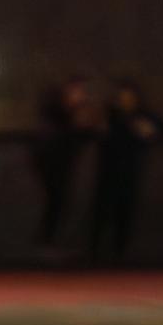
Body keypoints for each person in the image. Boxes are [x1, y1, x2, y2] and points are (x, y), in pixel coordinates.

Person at [90, 81, 163, 265]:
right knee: (102, 211)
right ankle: (93, 251)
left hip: (130, 170)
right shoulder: (110, 115)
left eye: (129, 97)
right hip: (108, 170)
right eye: (122, 98)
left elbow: (161, 132)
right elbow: (96, 133)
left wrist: (147, 131)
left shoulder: (142, 117)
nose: (125, 101)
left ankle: (119, 252)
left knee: (124, 212)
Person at [34, 75, 98, 255]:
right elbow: (56, 134)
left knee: (61, 202)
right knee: (54, 201)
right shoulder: (54, 111)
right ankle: (45, 243)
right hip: (49, 161)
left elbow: (83, 135)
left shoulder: (75, 113)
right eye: (76, 90)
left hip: (65, 163)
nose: (80, 95)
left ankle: (52, 242)